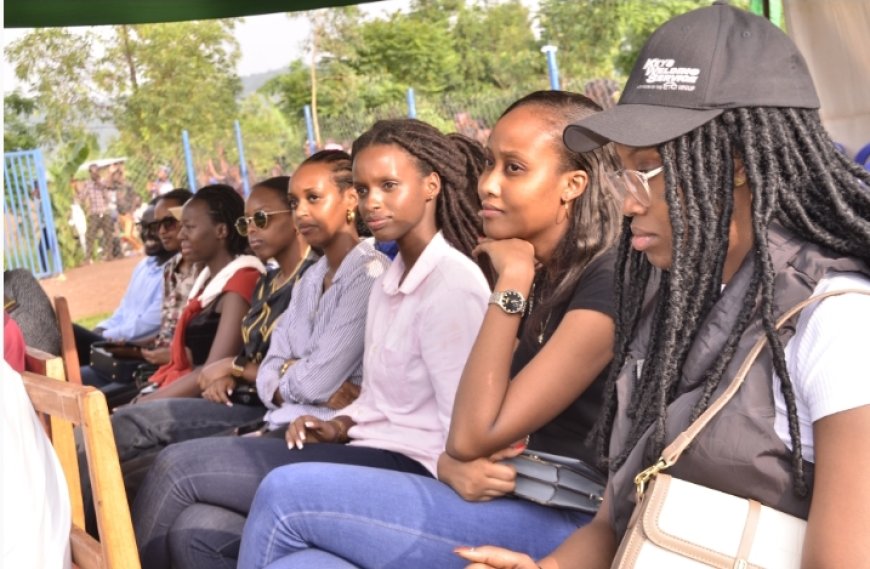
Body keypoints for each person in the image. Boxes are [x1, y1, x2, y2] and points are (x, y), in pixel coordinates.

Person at [455, 5, 870, 568]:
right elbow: (615, 524)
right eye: (621, 172)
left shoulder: (838, 323)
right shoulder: (670, 303)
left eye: (646, 171)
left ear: (736, 164)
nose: (627, 201)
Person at [238, 91, 622, 569]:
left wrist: (512, 281)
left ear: (573, 184)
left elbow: (470, 434)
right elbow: (472, 422)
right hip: (506, 491)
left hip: (571, 522)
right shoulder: (543, 273)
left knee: (285, 493)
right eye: (489, 164)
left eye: (513, 168)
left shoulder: (605, 282)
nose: (488, 184)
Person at [133, 120, 491, 569]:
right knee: (197, 528)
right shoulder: (390, 278)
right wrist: (337, 426)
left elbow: (460, 425)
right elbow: (369, 399)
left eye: (389, 186)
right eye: (364, 189)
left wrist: (271, 377)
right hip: (361, 442)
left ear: (431, 186)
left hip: (411, 467)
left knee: (177, 467)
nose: (372, 202)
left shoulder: (448, 283)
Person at [74, 203, 172, 387]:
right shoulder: (144, 266)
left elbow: (148, 326)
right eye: (143, 226)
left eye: (155, 226)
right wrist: (101, 329)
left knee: (69, 344)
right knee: (64, 340)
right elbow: (124, 310)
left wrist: (107, 337)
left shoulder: (174, 274)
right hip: (115, 344)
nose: (148, 233)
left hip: (130, 351)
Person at [140, 189, 199, 367]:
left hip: (186, 364)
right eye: (157, 225)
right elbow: (167, 331)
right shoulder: (170, 267)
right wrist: (134, 347)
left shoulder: (206, 268)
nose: (162, 231)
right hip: (162, 361)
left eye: (169, 223)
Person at [81, 164, 114, 262]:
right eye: (92, 172)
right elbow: (82, 196)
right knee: (90, 235)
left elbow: (108, 193)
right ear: (90, 173)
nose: (94, 174)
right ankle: (88, 257)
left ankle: (109, 254)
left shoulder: (103, 181)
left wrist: (99, 183)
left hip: (105, 211)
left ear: (98, 172)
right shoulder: (88, 184)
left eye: (95, 171)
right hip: (94, 212)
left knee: (108, 234)